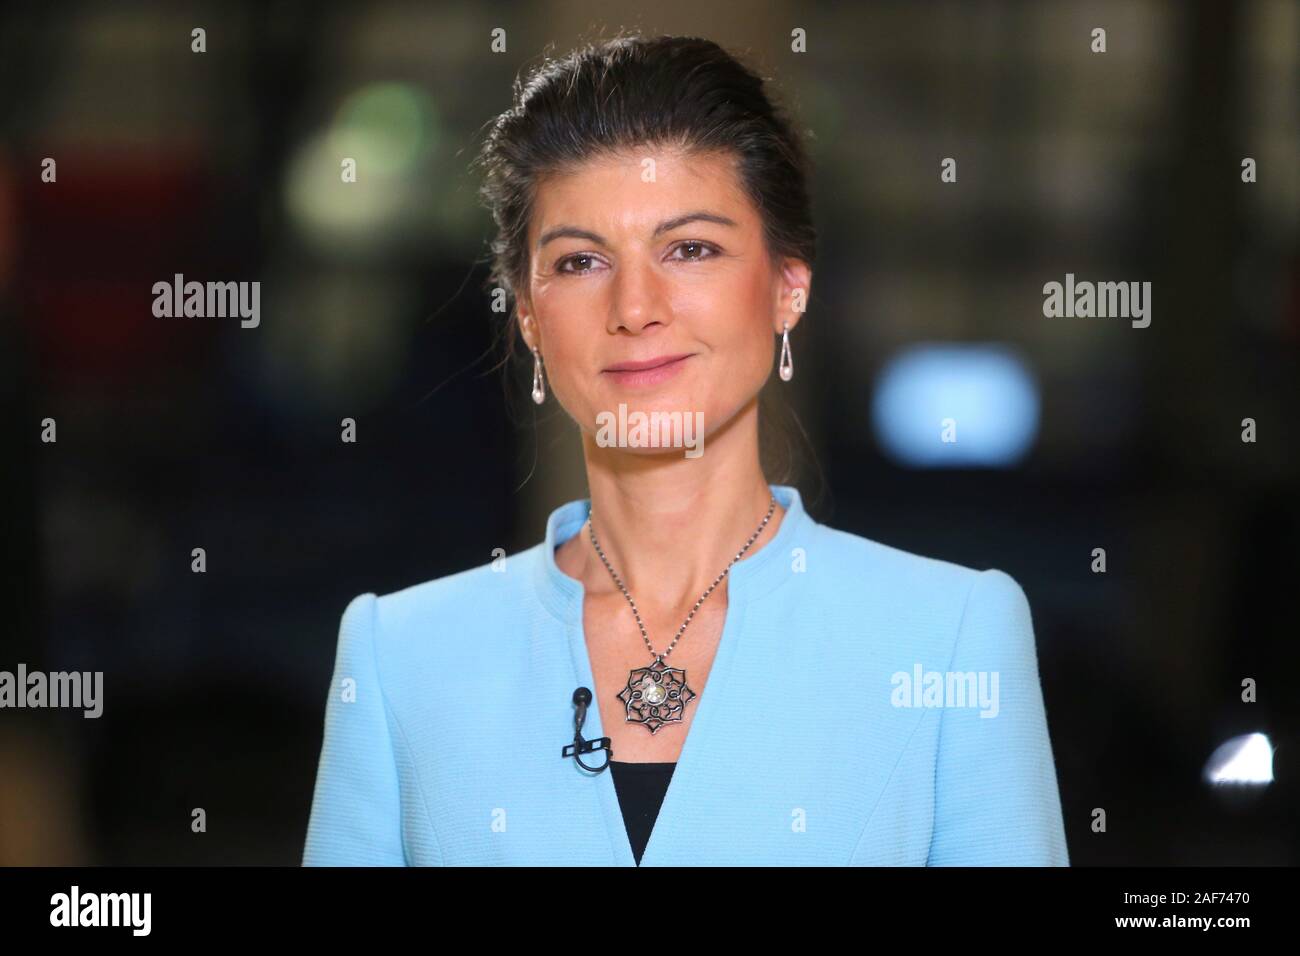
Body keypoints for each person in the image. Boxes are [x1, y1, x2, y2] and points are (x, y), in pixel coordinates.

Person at [302, 33, 1068, 866]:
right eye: (581, 260)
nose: (636, 306)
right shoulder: (400, 653)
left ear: (788, 287)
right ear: (527, 313)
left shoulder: (949, 636)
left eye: (690, 249)